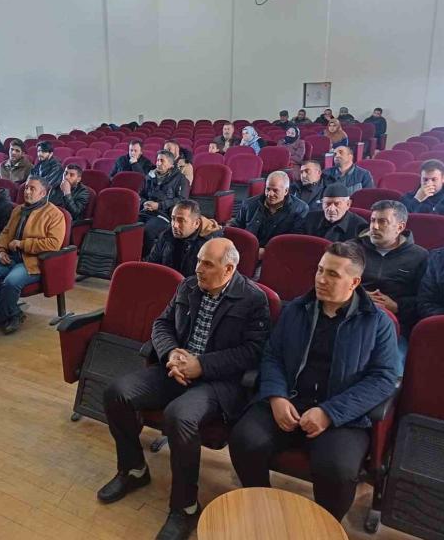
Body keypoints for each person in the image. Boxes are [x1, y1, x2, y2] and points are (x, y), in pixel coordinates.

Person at [99, 238, 271, 540]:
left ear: (229, 269)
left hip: (218, 383)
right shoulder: (188, 286)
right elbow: (161, 324)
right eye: (199, 260)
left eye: (208, 264)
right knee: (117, 393)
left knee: (179, 416)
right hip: (175, 368)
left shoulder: (253, 299)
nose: (198, 268)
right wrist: (171, 354)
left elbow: (253, 352)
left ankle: (185, 506)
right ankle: (134, 469)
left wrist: (202, 365)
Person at [229, 242, 398, 522]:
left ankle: (323, 525)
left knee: (336, 469)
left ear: (354, 282)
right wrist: (276, 396)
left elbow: (383, 378)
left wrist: (329, 413)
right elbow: (272, 355)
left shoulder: (378, 322)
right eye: (320, 270)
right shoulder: (297, 309)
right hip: (290, 400)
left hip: (340, 414)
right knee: (244, 440)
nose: (321, 279)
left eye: (333, 274)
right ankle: (261, 507)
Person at [0, 176, 66, 334]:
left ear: (43, 193)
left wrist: (22, 244)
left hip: (32, 261)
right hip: (9, 257)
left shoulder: (54, 214)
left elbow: (53, 244)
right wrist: (0, 251)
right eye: (26, 188)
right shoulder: (18, 210)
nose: (27, 192)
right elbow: (5, 233)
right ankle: (14, 312)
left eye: (32, 189)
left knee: (11, 282)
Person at [354, 201, 428, 367]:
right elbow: (334, 283)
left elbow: (424, 301)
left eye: (382, 222)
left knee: (392, 370)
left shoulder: (419, 256)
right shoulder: (352, 248)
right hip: (352, 317)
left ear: (400, 227)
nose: (374, 227)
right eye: (373, 220)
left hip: (397, 327)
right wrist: (358, 295)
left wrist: (397, 306)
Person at [232, 171, 308, 260]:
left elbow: (295, 242)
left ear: (286, 191)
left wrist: (267, 252)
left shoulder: (300, 209)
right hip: (247, 252)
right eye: (268, 189)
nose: (270, 194)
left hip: (278, 256)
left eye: (275, 190)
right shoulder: (249, 204)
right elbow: (237, 228)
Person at [145, 199, 222, 277]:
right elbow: (152, 264)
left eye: (181, 220)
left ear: (196, 223)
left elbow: (206, 280)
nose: (174, 225)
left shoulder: (209, 245)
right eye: (173, 219)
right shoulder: (167, 234)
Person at [140, 150, 191, 254]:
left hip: (164, 215)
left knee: (148, 230)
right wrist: (144, 202)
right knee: (129, 227)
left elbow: (182, 200)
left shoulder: (181, 179)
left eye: (162, 161)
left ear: (171, 165)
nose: (158, 163)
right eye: (157, 160)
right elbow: (140, 194)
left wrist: (159, 205)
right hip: (145, 211)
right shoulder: (150, 176)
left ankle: (146, 258)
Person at [303, 183, 368, 242]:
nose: (331, 209)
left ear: (348, 204)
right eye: (327, 203)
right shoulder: (310, 219)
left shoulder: (360, 227)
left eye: (337, 204)